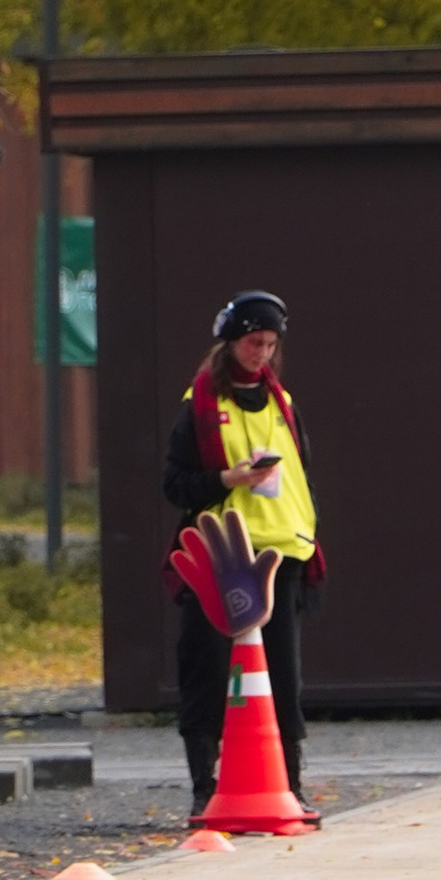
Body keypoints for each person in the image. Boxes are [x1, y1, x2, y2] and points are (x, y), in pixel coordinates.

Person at [163, 291, 323, 820]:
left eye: (271, 345)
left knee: (283, 673)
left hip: (284, 549)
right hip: (224, 552)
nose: (263, 353)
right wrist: (228, 480)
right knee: (206, 667)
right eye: (255, 342)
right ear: (231, 341)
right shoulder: (203, 403)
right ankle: (203, 782)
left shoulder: (283, 401)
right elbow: (175, 483)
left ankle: (289, 782)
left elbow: (301, 474)